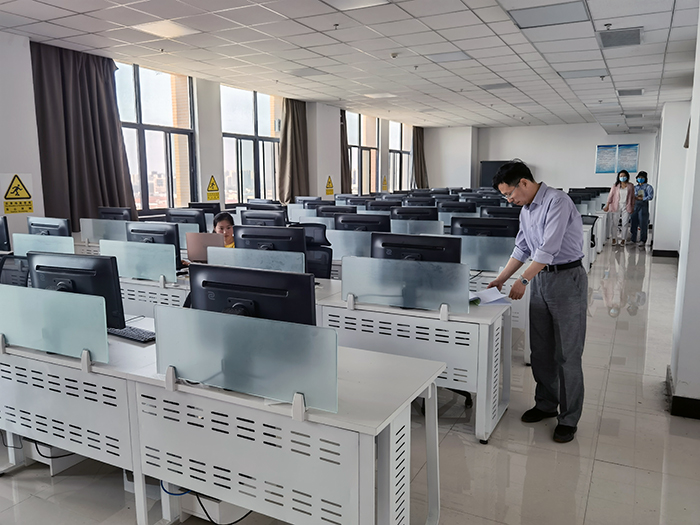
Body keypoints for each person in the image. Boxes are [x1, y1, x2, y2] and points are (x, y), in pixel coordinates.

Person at [487, 161, 587, 444]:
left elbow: (547, 249)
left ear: (524, 182)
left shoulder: (557, 201)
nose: (509, 200)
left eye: (509, 194)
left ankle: (569, 418)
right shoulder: (526, 209)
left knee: (567, 354)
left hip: (567, 279)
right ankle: (545, 404)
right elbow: (522, 248)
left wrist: (523, 280)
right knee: (541, 350)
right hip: (541, 279)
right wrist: (502, 278)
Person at [603, 170, 635, 246]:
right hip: (616, 205)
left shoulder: (630, 186)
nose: (622, 177)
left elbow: (632, 197)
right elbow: (610, 196)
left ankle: (623, 239)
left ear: (627, 176)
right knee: (615, 223)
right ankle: (614, 238)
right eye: (621, 176)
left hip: (626, 205)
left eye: (624, 176)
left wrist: (633, 206)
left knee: (625, 223)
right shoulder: (615, 186)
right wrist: (607, 205)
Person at [630, 171, 654, 247]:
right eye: (639, 177)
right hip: (635, 205)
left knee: (643, 224)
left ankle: (642, 240)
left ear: (645, 178)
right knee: (633, 222)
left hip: (643, 206)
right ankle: (633, 239)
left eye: (642, 177)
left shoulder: (648, 187)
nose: (640, 179)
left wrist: (642, 198)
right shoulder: (635, 187)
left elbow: (650, 197)